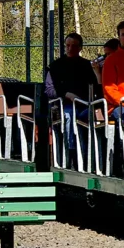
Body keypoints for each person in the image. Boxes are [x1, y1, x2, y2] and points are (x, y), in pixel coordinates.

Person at [44, 33, 100, 162]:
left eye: (74, 46)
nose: (70, 49)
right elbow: (49, 90)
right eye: (67, 45)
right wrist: (66, 95)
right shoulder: (55, 66)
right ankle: (72, 152)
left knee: (93, 116)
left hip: (85, 104)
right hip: (64, 105)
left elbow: (97, 87)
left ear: (80, 48)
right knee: (69, 116)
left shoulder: (87, 65)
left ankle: (92, 155)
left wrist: (97, 73)